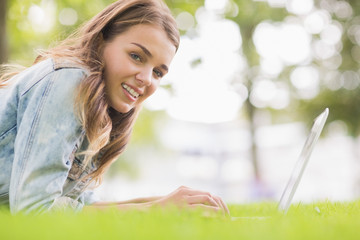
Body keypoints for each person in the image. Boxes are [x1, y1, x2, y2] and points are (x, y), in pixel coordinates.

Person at [0, 0, 229, 216]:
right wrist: (155, 209)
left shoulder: (99, 107)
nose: (147, 79)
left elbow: (82, 205)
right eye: (136, 56)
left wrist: (166, 204)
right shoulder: (69, 80)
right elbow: (34, 209)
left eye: (158, 72)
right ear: (101, 42)